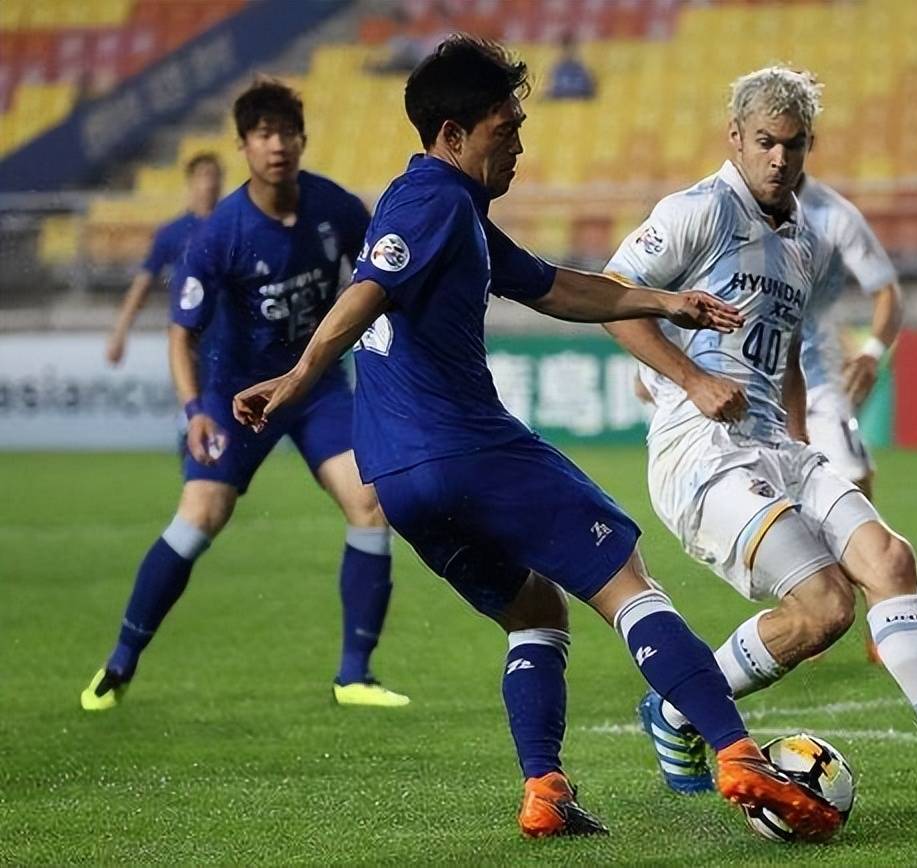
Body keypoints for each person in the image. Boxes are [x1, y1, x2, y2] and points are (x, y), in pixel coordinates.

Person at [231, 36, 841, 841]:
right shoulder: (434, 203)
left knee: (535, 612)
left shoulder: (456, 216)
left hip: (402, 478)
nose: (519, 142)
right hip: (467, 447)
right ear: (452, 135)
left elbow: (553, 287)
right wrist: (299, 376)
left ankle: (544, 787)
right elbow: (368, 290)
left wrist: (663, 304)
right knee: (626, 581)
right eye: (504, 128)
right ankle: (734, 753)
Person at [603, 66, 917, 796]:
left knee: (890, 558)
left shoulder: (805, 245)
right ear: (736, 139)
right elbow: (612, 296)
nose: (780, 159)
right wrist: (689, 378)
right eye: (765, 143)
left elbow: (781, 352)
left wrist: (800, 441)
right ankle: (677, 709)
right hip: (702, 452)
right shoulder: (699, 210)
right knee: (826, 608)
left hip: (777, 445)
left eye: (794, 145)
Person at [80, 78, 408, 712]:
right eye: (263, 135)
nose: (277, 146)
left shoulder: (335, 208)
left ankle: (354, 675)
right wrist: (195, 409)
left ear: (303, 140)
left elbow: (379, 279)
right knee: (201, 516)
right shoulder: (219, 234)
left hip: (313, 388)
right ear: (243, 146)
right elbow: (181, 335)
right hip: (235, 398)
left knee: (369, 505)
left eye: (287, 133)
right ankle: (120, 662)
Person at [797, 172, 902, 500]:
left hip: (817, 385)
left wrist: (871, 351)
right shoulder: (725, 208)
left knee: (857, 491)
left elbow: (887, 291)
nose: (779, 157)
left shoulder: (834, 215)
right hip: (752, 393)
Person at [105, 153, 223, 366]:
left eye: (215, 176)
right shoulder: (172, 232)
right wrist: (120, 333)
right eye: (204, 176)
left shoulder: (233, 227)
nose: (210, 183)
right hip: (189, 336)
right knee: (194, 397)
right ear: (191, 182)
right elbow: (143, 283)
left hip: (230, 335)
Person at [545, 32, 596, 101]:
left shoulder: (582, 68)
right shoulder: (556, 69)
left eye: (571, 48)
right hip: (561, 105)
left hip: (579, 103)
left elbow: (591, 91)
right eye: (565, 48)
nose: (568, 51)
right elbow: (550, 91)